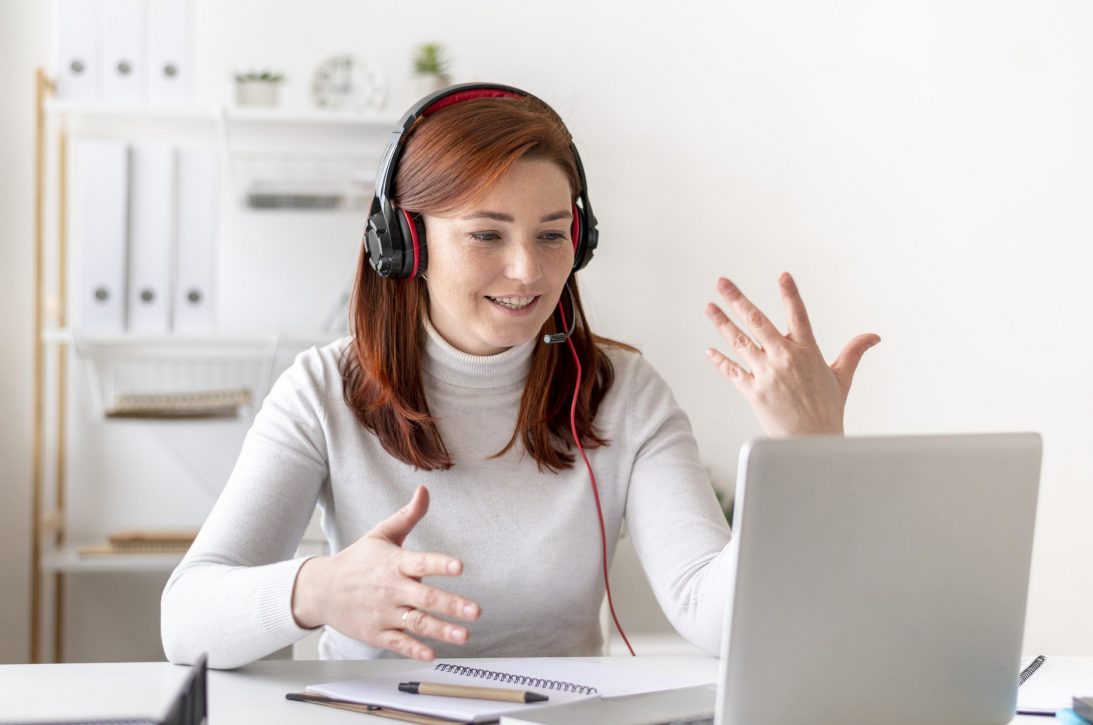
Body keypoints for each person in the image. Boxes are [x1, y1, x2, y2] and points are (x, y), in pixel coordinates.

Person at [160, 84, 879, 669]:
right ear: (406, 243)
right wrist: (315, 587)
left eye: (551, 234)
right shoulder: (322, 390)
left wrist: (807, 448)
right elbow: (184, 620)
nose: (528, 270)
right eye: (486, 234)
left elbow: (711, 612)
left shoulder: (624, 393)